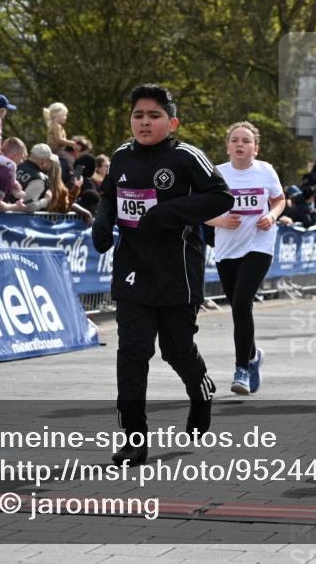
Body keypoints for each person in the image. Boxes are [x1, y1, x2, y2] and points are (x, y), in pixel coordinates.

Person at [92, 84, 233, 467]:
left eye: (154, 116)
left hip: (177, 272)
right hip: (133, 269)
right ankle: (133, 438)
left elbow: (222, 198)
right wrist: (103, 223)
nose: (144, 122)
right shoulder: (121, 156)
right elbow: (108, 193)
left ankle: (201, 392)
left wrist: (166, 215)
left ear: (171, 122)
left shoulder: (187, 157)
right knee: (132, 353)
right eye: (138, 115)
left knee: (176, 349)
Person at [207, 121, 285, 395]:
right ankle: (253, 356)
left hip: (259, 243)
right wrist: (220, 220)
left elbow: (279, 200)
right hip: (227, 248)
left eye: (246, 140)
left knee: (242, 302)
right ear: (228, 146)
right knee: (239, 308)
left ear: (255, 148)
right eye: (235, 140)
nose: (240, 144)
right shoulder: (216, 174)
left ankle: (241, 368)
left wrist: (271, 216)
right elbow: (197, 210)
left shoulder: (266, 171)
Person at [17, 144, 57, 208]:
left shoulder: (16, 166)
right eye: (49, 161)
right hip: (20, 217)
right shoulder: (39, 178)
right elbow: (28, 206)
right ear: (44, 161)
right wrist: (46, 200)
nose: (50, 164)